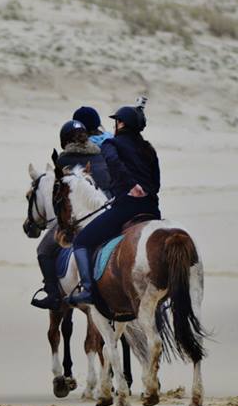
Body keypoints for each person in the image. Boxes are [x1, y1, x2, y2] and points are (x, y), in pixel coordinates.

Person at [67, 101, 161, 304]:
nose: (114, 125)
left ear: (121, 124)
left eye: (116, 121)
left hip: (126, 208)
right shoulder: (148, 149)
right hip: (153, 210)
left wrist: (131, 185)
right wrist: (145, 191)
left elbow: (114, 162)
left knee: (81, 242)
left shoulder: (111, 144)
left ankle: (88, 290)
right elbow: (156, 183)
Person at [31, 119, 112, 310]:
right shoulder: (102, 155)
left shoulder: (63, 161)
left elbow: (60, 198)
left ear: (64, 140)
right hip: (109, 211)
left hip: (83, 214)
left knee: (43, 250)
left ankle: (53, 294)